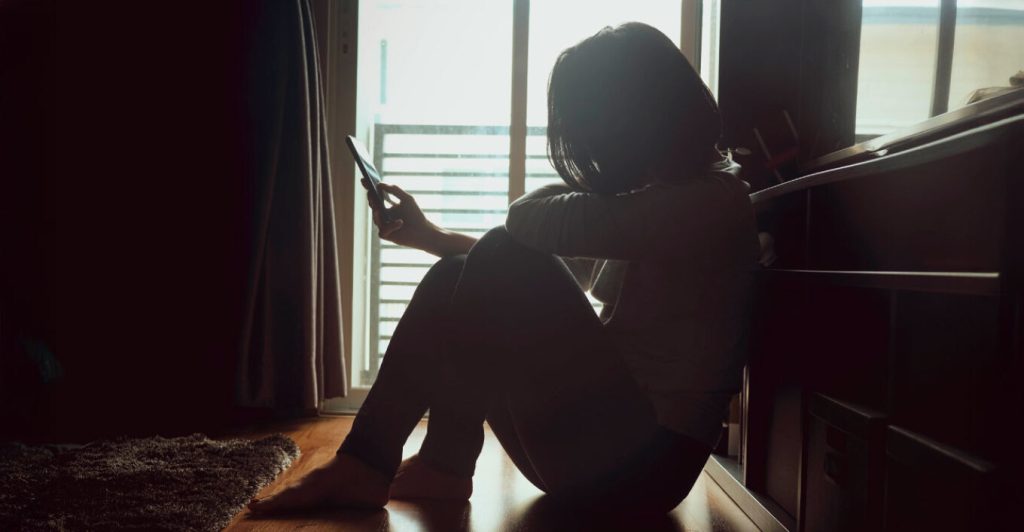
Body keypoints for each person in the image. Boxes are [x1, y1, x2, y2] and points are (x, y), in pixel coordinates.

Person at [248, 21, 759, 516]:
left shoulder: (705, 202)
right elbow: (527, 267)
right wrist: (428, 236)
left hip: (644, 467)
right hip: (607, 451)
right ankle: (378, 463)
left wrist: (592, 189)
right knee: (457, 273)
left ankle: (440, 462)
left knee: (500, 251)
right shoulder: (669, 196)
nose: (596, 155)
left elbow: (522, 222)